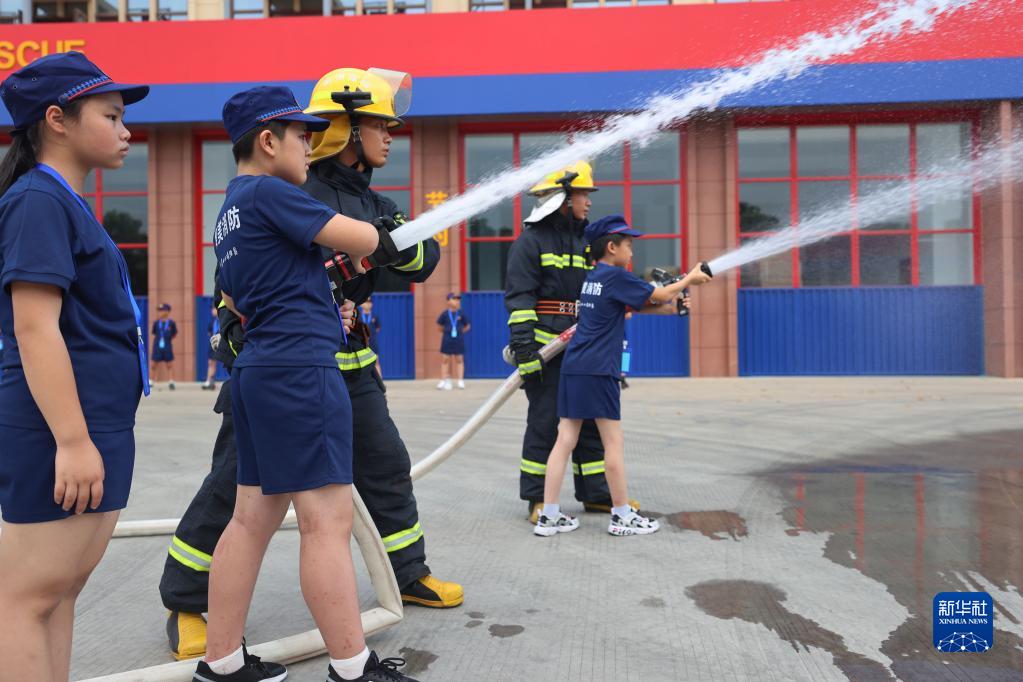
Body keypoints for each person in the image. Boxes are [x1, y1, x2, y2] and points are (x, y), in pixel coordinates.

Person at [195, 85, 418, 682]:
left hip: (261, 370)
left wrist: (317, 301)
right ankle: (352, 667)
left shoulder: (232, 207)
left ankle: (220, 663)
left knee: (248, 521)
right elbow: (367, 240)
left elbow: (244, 295)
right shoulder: (273, 190)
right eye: (301, 135)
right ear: (267, 142)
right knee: (327, 522)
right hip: (300, 373)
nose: (313, 144)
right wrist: (396, 234)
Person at [0, 51, 150, 681]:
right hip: (58, 434)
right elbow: (34, 329)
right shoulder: (37, 201)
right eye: (112, 115)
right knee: (25, 602)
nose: (126, 130)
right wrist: (72, 440)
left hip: (94, 429)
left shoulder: (62, 202)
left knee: (57, 597)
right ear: (57, 120)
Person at [302, 67, 463, 610]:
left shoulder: (375, 203)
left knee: (386, 466)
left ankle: (407, 574)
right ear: (348, 129)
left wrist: (392, 245)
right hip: (292, 365)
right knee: (238, 486)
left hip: (353, 361)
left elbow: (425, 259)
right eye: (379, 124)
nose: (390, 135)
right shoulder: (297, 190)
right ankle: (186, 597)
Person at [534, 215, 712, 538]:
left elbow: (644, 305)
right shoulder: (616, 276)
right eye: (628, 244)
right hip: (599, 370)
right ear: (611, 247)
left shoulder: (595, 278)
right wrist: (688, 280)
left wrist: (674, 302)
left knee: (564, 440)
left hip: (575, 367)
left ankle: (548, 514)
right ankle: (622, 515)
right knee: (613, 442)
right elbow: (655, 296)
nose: (632, 250)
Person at [505, 161, 635, 524]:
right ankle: (537, 499)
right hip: (547, 351)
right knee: (546, 422)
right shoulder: (530, 242)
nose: (588, 202)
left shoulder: (586, 241)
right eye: (582, 194)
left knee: (592, 422)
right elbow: (519, 300)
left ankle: (596, 494)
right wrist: (526, 349)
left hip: (585, 347)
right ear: (563, 197)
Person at [436, 292, 470, 390]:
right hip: (447, 339)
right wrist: (446, 332)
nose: (457, 301)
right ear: (448, 301)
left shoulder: (461, 313)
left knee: (459, 359)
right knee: (445, 359)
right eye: (454, 299)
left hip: (458, 339)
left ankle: (460, 381)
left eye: (458, 299)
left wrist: (460, 332)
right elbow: (439, 327)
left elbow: (467, 326)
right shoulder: (445, 314)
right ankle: (443, 380)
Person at [151, 302, 178, 390]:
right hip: (157, 346)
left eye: (162, 310)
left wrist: (168, 338)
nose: (160, 312)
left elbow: (174, 333)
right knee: (154, 364)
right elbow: (154, 333)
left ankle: (171, 381)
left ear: (167, 312)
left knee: (169, 364)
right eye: (159, 311)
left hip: (167, 346)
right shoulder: (156, 323)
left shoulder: (171, 323)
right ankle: (151, 381)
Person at [360, 297, 382, 377]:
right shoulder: (359, 316)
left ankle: (380, 383)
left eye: (369, 302)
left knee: (376, 362)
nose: (367, 304)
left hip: (373, 342)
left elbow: (378, 328)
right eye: (365, 302)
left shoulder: (374, 316)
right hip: (362, 343)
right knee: (362, 364)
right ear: (361, 304)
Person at [203, 304, 219, 390]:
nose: (212, 311)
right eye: (212, 309)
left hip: (221, 344)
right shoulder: (213, 321)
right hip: (213, 344)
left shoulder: (223, 320)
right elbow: (209, 332)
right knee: (211, 362)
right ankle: (209, 381)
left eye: (214, 309)